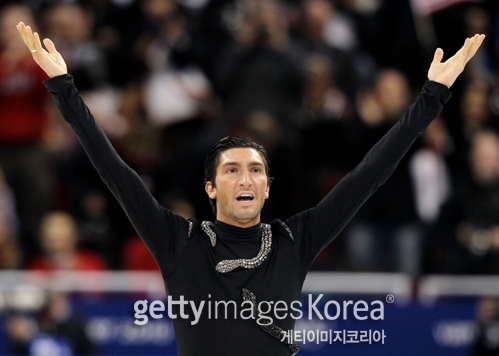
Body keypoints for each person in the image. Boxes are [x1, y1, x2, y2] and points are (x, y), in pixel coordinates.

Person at [17, 21, 484, 356]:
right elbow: (114, 171)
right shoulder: (178, 242)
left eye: (256, 170)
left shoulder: (293, 240)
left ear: (266, 188)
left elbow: (369, 174)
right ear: (211, 188)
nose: (246, 177)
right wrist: (63, 87)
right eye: (232, 170)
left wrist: (431, 97)